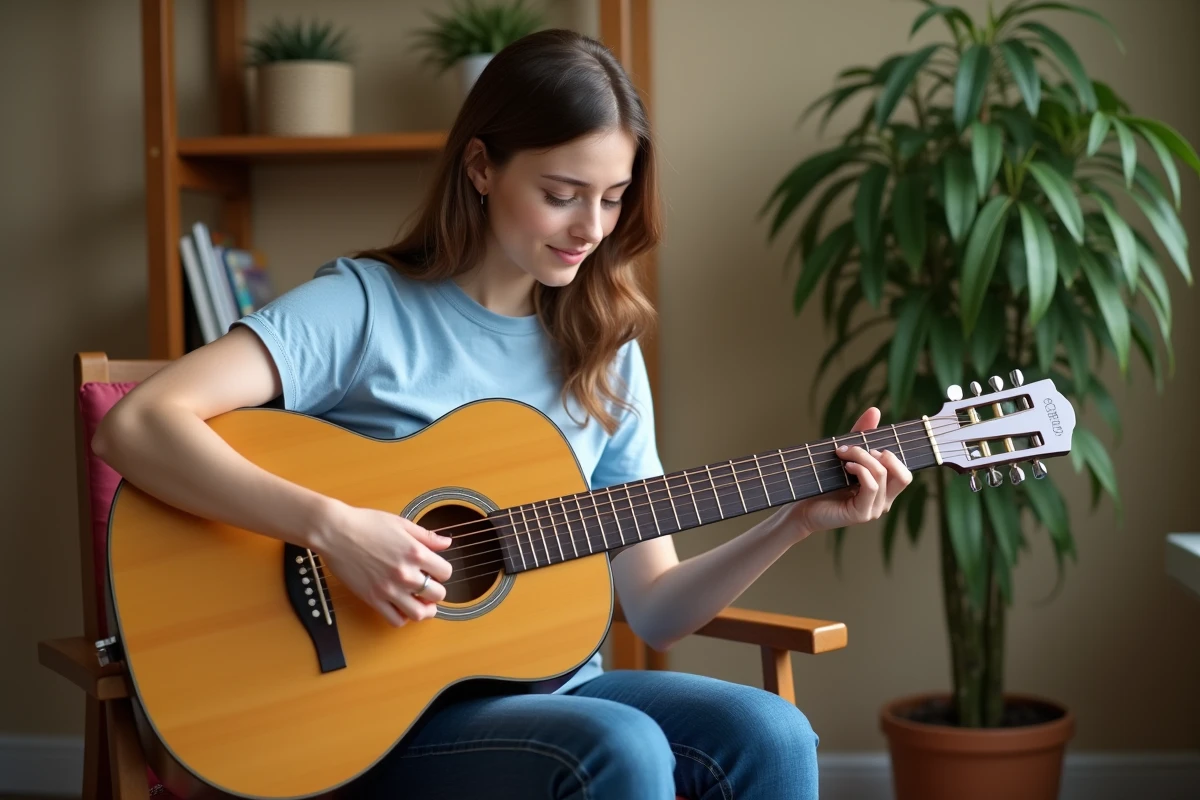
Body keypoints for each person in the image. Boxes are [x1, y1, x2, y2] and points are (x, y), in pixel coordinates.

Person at [94, 28, 912, 800]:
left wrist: (793, 522)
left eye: (615, 198)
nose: (590, 229)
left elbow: (656, 607)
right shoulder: (365, 307)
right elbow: (136, 425)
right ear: (482, 167)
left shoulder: (605, 350)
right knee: (619, 747)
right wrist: (334, 527)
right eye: (562, 195)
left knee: (771, 732)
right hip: (365, 718)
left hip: (559, 696)